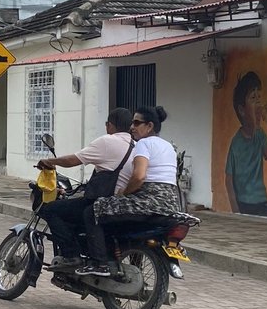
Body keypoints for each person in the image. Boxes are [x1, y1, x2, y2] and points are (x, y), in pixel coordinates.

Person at [78, 105, 197, 277]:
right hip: (170, 204)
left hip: (148, 202)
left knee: (93, 210)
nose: (132, 127)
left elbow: (139, 177)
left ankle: (100, 264)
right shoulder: (168, 146)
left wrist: (123, 193)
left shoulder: (143, 144)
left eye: (136, 123)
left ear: (149, 126)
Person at [36, 108, 135, 269]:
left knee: (51, 210)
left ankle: (71, 255)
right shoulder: (135, 145)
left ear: (110, 125)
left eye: (106, 124)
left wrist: (50, 161)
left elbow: (73, 160)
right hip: (121, 203)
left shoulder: (107, 142)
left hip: (102, 202)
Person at [225, 71, 267, 218]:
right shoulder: (236, 143)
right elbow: (229, 180)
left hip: (262, 202)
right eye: (253, 98)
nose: (258, 103)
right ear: (242, 110)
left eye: (259, 97)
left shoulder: (259, 135)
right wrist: (236, 212)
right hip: (245, 203)